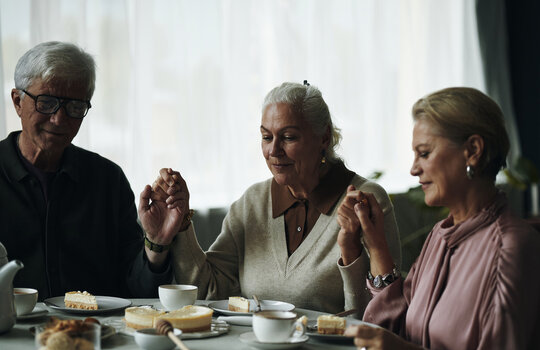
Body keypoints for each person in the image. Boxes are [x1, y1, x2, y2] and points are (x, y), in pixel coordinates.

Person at [150, 81, 401, 314]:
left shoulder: (364, 202)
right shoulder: (253, 202)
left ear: (324, 137)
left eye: (289, 137)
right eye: (267, 137)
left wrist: (352, 255)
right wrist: (180, 222)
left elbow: (377, 317)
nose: (273, 151)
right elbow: (210, 292)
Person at [340, 87, 540, 350]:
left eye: (424, 153)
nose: (413, 169)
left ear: (473, 150)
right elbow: (396, 331)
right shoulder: (440, 235)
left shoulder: (512, 248)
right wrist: (376, 246)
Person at [0, 41, 182, 300]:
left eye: (74, 107)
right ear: (18, 102)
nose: (59, 119)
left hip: (97, 332)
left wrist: (157, 243)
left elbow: (139, 293)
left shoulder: (108, 180)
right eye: (47, 102)